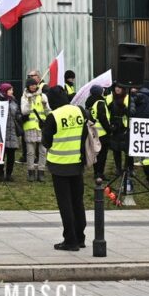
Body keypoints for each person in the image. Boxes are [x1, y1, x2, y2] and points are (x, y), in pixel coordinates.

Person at [41, 86, 87, 250]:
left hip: (59, 166)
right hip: (77, 163)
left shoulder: (53, 116)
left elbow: (46, 142)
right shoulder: (80, 111)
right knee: (77, 202)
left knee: (65, 204)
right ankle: (80, 237)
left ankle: (70, 240)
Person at [92, 85, 129, 183]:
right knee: (114, 150)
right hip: (109, 129)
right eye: (116, 87)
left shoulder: (127, 97)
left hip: (123, 127)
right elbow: (103, 116)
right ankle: (115, 169)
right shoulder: (105, 100)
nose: (117, 89)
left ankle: (127, 169)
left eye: (119, 87)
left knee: (125, 149)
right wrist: (109, 128)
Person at [20, 75, 49, 181]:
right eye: (31, 85)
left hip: (41, 127)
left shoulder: (43, 96)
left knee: (43, 151)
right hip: (30, 127)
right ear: (28, 86)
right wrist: (29, 102)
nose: (33, 86)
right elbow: (24, 111)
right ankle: (31, 172)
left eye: (35, 84)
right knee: (30, 152)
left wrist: (45, 106)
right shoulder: (24, 97)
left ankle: (41, 172)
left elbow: (48, 112)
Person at [0, 83, 20, 180]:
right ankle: (1, 174)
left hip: (12, 131)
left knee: (11, 154)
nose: (12, 92)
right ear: (5, 91)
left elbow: (17, 112)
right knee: (1, 155)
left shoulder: (13, 100)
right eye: (10, 90)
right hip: (1, 132)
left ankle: (9, 174)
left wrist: (19, 116)